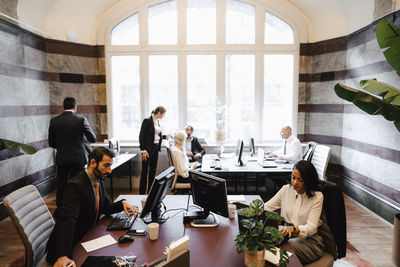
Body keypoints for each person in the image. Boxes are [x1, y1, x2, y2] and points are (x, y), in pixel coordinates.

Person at [46, 147, 139, 267]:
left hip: (88, 237)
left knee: (124, 261)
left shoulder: (97, 179)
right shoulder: (75, 186)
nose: (109, 170)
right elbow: (67, 221)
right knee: (122, 263)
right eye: (106, 165)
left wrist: (122, 203)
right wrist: (63, 255)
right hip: (72, 246)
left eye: (110, 166)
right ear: (93, 163)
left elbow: (105, 207)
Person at [264, 160, 325, 264]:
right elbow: (267, 207)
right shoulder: (286, 190)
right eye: (293, 178)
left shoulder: (317, 197)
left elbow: (311, 227)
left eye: (300, 180)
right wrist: (248, 210)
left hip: (310, 242)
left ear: (308, 181)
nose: (295, 183)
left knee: (276, 251)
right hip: (287, 237)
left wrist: (294, 229)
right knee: (263, 244)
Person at [48, 97, 96, 209]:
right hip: (78, 159)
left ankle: (60, 209)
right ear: (75, 107)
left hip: (62, 159)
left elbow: (51, 143)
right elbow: (92, 138)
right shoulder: (81, 120)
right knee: (79, 184)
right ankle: (79, 208)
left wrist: (63, 147)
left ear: (63, 107)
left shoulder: (54, 121)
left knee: (62, 186)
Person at [139, 106, 169, 194]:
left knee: (153, 172)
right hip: (147, 149)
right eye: (163, 114)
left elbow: (155, 135)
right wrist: (143, 150)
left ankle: (150, 192)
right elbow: (141, 136)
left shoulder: (157, 122)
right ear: (159, 112)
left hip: (155, 148)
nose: (163, 116)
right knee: (144, 172)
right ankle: (141, 193)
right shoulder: (147, 121)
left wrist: (165, 137)